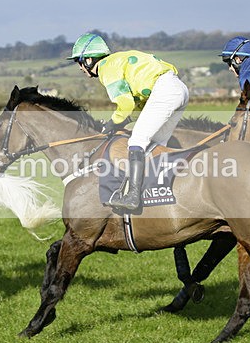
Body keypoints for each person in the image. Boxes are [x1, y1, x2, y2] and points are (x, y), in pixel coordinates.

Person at [67, 33, 189, 211]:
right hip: (179, 89)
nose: (79, 68)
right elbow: (140, 107)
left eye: (79, 61)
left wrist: (112, 123)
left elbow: (125, 104)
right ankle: (154, 194)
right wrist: (123, 120)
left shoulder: (107, 68)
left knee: (137, 141)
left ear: (89, 60)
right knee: (155, 146)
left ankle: (132, 196)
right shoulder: (118, 61)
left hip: (165, 91)